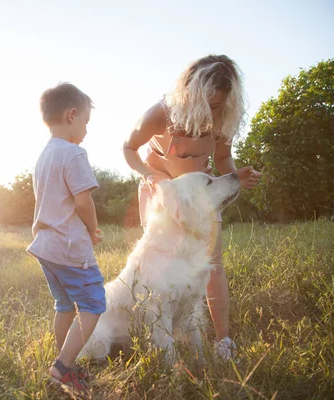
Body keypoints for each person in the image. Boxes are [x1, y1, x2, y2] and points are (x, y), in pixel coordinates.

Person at [122, 55, 262, 360]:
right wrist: (149, 175)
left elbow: (223, 160)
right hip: (161, 196)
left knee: (211, 264)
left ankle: (223, 341)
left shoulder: (221, 121)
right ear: (191, 94)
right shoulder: (160, 113)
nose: (214, 112)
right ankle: (163, 333)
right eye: (209, 104)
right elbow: (129, 148)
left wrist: (236, 176)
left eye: (220, 105)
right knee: (163, 263)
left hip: (200, 199)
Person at [27, 83, 105, 391]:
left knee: (63, 304)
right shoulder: (73, 153)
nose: (86, 129)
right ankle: (61, 368)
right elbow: (83, 201)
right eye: (86, 122)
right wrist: (91, 228)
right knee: (93, 304)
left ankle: (67, 362)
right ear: (72, 115)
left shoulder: (44, 156)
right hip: (69, 246)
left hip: (46, 246)